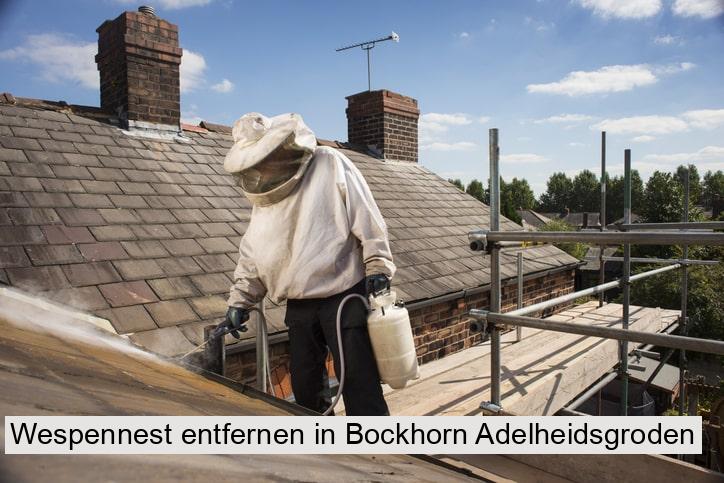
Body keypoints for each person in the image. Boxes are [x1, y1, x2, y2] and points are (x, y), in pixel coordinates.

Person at [218, 112, 395, 416]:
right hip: (299, 304)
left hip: (342, 293)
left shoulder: (329, 163)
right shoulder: (264, 199)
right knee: (305, 386)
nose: (263, 169)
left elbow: (367, 216)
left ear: (285, 148)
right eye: (256, 165)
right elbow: (256, 255)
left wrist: (377, 264)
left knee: (358, 381)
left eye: (267, 159)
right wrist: (239, 302)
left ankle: (378, 454)